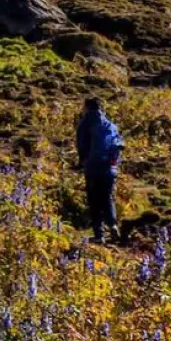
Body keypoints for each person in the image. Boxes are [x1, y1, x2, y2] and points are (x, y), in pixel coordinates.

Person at [74, 96, 124, 237]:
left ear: (86, 107)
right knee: (107, 197)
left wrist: (82, 161)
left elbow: (81, 145)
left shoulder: (85, 123)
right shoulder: (111, 125)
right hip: (110, 167)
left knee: (94, 199)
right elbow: (119, 144)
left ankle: (99, 233)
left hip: (93, 166)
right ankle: (113, 225)